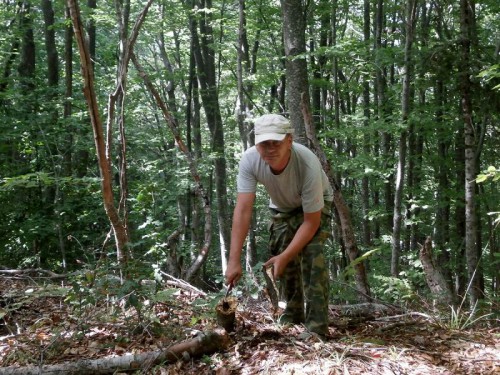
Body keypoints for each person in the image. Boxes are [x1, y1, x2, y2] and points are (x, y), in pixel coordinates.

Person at [225, 114, 334, 337]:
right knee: (281, 254)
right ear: (256, 143)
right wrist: (234, 260)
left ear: (289, 141)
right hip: (282, 207)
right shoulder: (249, 160)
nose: (271, 149)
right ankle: (293, 314)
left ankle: (317, 328)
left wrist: (285, 255)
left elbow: (311, 222)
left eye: (277, 142)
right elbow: (243, 210)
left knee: (312, 255)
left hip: (315, 206)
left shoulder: (306, 162)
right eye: (265, 143)